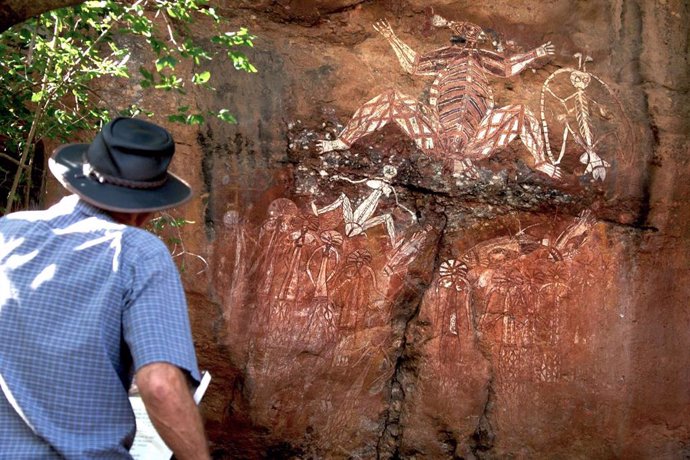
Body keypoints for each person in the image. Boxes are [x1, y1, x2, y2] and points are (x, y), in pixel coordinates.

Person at [0, 117, 210, 459]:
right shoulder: (138, 253)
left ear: (77, 180)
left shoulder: (8, 232)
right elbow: (159, 384)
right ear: (146, 210)